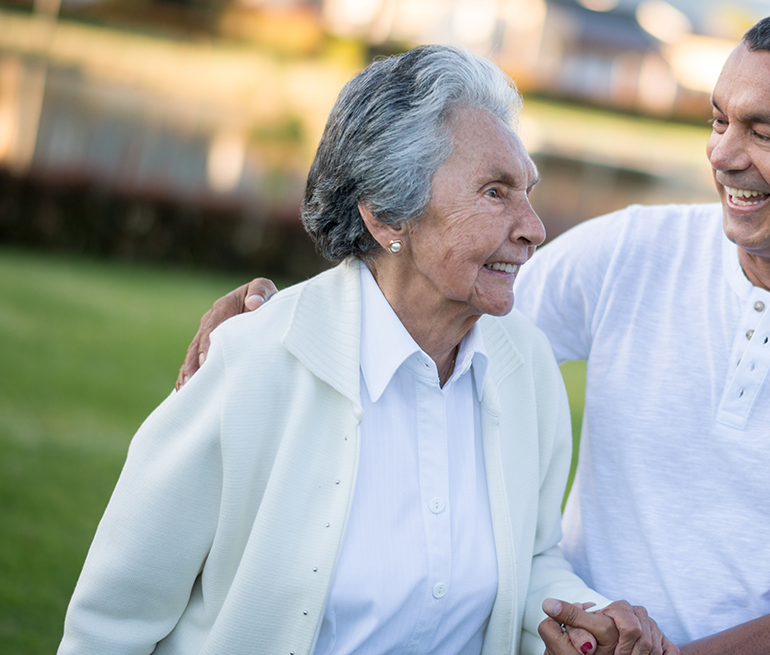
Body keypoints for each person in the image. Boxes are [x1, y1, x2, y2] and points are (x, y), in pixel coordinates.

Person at [178, 6, 770, 655]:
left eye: (764, 132)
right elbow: (435, 311)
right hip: (570, 638)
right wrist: (275, 318)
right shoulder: (635, 246)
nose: (723, 155)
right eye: (717, 120)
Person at [60, 45, 675, 655]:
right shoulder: (253, 362)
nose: (533, 227)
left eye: (528, 191)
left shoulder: (527, 368)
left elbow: (530, 556)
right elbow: (111, 626)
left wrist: (583, 620)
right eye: (495, 192)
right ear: (387, 217)